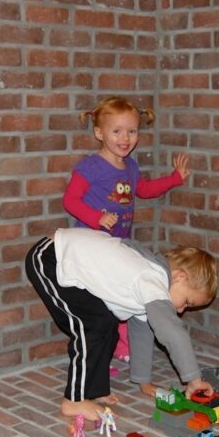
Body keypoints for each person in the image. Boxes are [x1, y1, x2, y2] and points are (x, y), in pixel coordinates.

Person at [25, 227, 218, 421]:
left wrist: (144, 382)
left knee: (106, 323)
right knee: (91, 326)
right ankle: (74, 400)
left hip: (64, 257)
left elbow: (142, 332)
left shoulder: (150, 285)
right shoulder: (151, 280)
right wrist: (194, 380)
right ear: (180, 277)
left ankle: (94, 389)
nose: (181, 310)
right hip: (51, 256)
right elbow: (172, 332)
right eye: (187, 301)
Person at [63, 96, 191, 363]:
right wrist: (96, 218)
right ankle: (107, 352)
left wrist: (173, 180)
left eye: (132, 131)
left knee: (122, 298)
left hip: (119, 246)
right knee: (105, 302)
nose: (125, 138)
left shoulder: (130, 166)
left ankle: (121, 348)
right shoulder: (90, 167)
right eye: (117, 131)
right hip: (93, 245)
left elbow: (142, 189)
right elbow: (70, 201)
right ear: (99, 133)